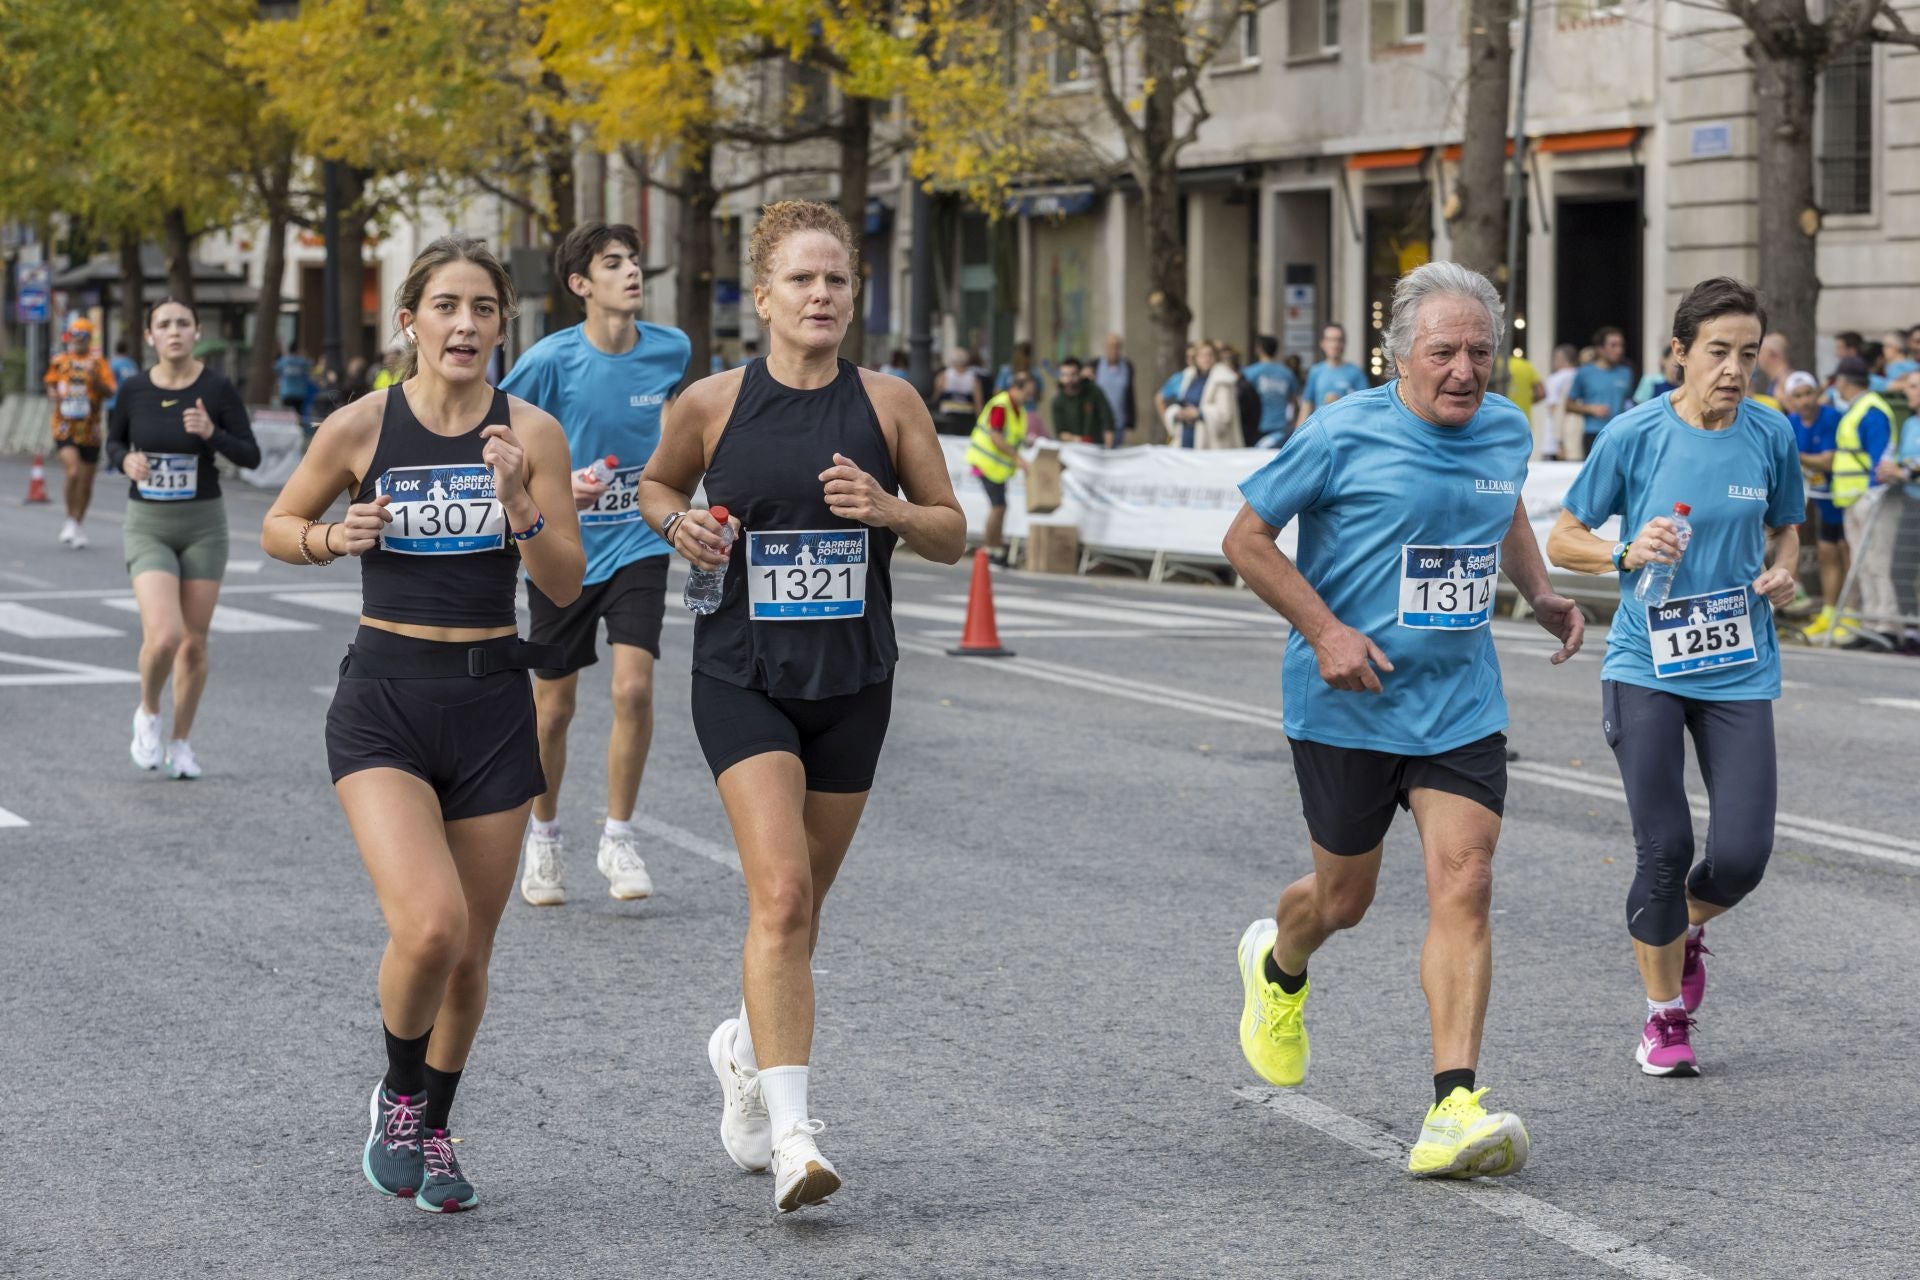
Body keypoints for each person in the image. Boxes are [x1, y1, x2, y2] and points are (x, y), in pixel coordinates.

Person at [636, 199, 965, 1213]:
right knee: (778, 895)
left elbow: (952, 531)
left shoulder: (892, 403)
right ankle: (794, 1137)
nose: (822, 295)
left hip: (855, 679)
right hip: (742, 674)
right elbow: (655, 485)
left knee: (803, 908)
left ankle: (743, 1040)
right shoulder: (713, 403)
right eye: (803, 280)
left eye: (838, 281)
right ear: (765, 296)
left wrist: (892, 510)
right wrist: (679, 522)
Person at [1223, 261, 1584, 1178]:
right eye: (1443, 352)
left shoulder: (1504, 429)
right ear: (1397, 359)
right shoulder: (1342, 433)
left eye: (1480, 351)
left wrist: (1537, 590)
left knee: (1466, 879)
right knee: (1342, 900)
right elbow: (1245, 540)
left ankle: (1453, 1107)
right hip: (1347, 703)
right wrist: (1326, 629)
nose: (1465, 370)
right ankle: (1279, 963)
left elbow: (1500, 509)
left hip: (1460, 704)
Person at [260, 236, 584, 1213]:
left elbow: (563, 582)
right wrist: (330, 535)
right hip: (387, 696)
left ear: (501, 326)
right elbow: (279, 524)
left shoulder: (532, 431)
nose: (465, 324)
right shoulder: (363, 425)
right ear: (410, 321)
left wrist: (519, 496)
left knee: (473, 953)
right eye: (446, 305)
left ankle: (433, 1123)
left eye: (484, 308)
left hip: (493, 698)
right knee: (431, 925)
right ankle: (399, 1089)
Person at [1547, 276, 1803, 1078]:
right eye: (1718, 352)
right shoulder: (1633, 434)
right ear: (1680, 354)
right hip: (1646, 662)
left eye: (1748, 355)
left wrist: (1784, 574)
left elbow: (1789, 529)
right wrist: (1624, 552)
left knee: (1742, 855)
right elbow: (1563, 536)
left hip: (1738, 665)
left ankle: (1679, 926)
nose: (1734, 369)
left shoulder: (1771, 434)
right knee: (1665, 846)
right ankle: (1663, 1018)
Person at [500, 221, 692, 907]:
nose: (632, 272)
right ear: (581, 284)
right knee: (552, 711)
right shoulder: (551, 360)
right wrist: (557, 482)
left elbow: (679, 427)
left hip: (638, 542)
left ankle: (619, 835)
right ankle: (544, 839)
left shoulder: (672, 349)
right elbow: (500, 429)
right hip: (564, 548)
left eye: (635, 261)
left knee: (633, 690)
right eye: (614, 264)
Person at [105, 299, 260, 779]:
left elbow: (250, 456)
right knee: (166, 635)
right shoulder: (132, 389)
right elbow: (112, 442)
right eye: (164, 325)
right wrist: (123, 461)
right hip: (148, 523)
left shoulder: (215, 389)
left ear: (196, 332)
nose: (174, 332)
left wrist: (212, 433)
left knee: (194, 644)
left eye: (183, 324)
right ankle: (148, 713)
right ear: (150, 336)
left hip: (203, 525)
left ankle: (181, 743)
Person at [1783, 370, 1848, 636]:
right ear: (1790, 400)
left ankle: (1848, 614)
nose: (1805, 400)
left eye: (1809, 393)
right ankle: (1829, 613)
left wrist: (1797, 456)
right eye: (1798, 396)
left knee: (1847, 553)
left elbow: (1828, 460)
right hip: (1820, 498)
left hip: (1844, 495)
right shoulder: (1791, 422)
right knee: (1826, 555)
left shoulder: (1832, 417)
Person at [43, 317, 117, 549]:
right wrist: (53, 394)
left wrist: (95, 382)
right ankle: (69, 518)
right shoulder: (60, 361)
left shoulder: (99, 363)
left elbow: (109, 391)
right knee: (73, 472)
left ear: (89, 338)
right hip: (65, 427)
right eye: (74, 335)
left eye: (82, 336)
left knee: (86, 482)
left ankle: (77, 522)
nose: (77, 340)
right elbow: (50, 383)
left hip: (91, 430)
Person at [969, 372, 1035, 563]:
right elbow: (995, 437)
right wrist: (1017, 458)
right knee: (998, 507)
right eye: (1027, 393)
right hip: (987, 463)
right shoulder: (1002, 405)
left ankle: (995, 548)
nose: (1029, 398)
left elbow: (1012, 436)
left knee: (1000, 507)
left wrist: (1026, 444)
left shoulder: (1018, 409)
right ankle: (990, 549)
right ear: (1016, 388)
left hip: (997, 468)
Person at [1566, 326, 1635, 457]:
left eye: (1621, 345)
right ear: (1600, 349)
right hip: (1594, 433)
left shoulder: (1626, 373)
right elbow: (1568, 405)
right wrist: (1591, 409)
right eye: (1613, 345)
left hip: (1621, 433)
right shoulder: (1584, 373)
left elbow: (1630, 401)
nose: (1619, 350)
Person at [1164, 340, 1239, 449]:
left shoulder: (1222, 379)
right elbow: (1180, 402)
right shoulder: (1189, 377)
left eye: (1209, 355)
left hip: (1211, 445)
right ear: (1195, 358)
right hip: (1187, 438)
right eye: (1202, 355)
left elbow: (1225, 415)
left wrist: (1199, 413)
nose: (1206, 359)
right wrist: (1177, 413)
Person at [1299, 323, 1367, 422]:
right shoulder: (1316, 371)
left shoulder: (1356, 372)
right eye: (1330, 340)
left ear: (1344, 343)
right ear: (1322, 343)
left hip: (1346, 429)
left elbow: (1364, 406)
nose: (1335, 345)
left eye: (1339, 340)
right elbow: (1307, 405)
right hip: (1320, 429)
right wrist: (1297, 434)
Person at [1243, 334, 1300, 447]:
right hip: (1281, 428)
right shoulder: (1287, 373)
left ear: (1259, 349)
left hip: (1257, 427)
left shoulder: (1250, 372)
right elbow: (1295, 402)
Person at [1051, 356, 1114, 447]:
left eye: (1073, 374)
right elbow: (1061, 433)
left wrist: (1109, 448)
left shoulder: (1094, 392)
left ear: (1080, 374)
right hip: (1072, 450)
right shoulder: (1058, 401)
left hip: (1096, 447)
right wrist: (1080, 440)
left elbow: (1107, 420)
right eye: (1064, 375)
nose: (1069, 379)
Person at [1093, 333, 1136, 447]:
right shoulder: (1096, 365)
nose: (1113, 350)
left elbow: (1129, 394)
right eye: (1110, 346)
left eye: (1117, 346)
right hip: (1098, 423)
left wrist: (1130, 421)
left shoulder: (1127, 366)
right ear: (1105, 347)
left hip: (1118, 423)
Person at [930, 347, 983, 437]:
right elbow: (978, 402)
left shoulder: (944, 376)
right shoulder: (973, 378)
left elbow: (935, 397)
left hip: (948, 417)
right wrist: (980, 421)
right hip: (967, 417)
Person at [277, 346, 317, 427]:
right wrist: (304, 355)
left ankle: (287, 429)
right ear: (297, 351)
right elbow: (311, 365)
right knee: (298, 415)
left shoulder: (284, 361)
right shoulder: (302, 362)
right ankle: (297, 430)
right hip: (299, 393)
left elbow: (277, 368)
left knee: (286, 414)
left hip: (286, 392)